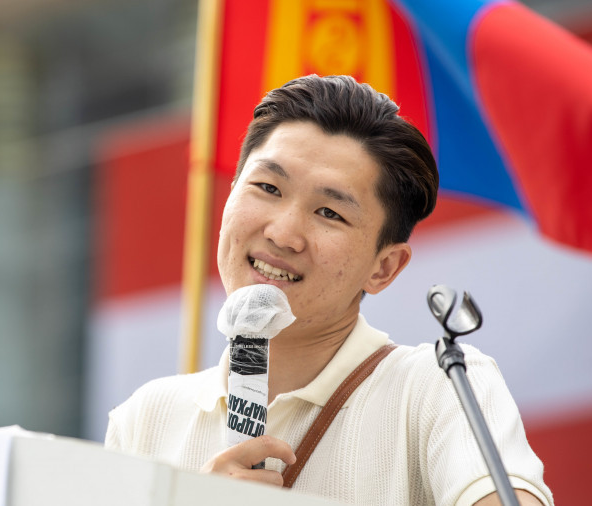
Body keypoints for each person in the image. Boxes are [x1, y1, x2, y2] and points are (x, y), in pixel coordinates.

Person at [105, 74, 553, 505]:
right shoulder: (145, 421)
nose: (283, 234)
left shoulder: (439, 386)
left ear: (384, 268)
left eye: (329, 213)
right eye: (267, 187)